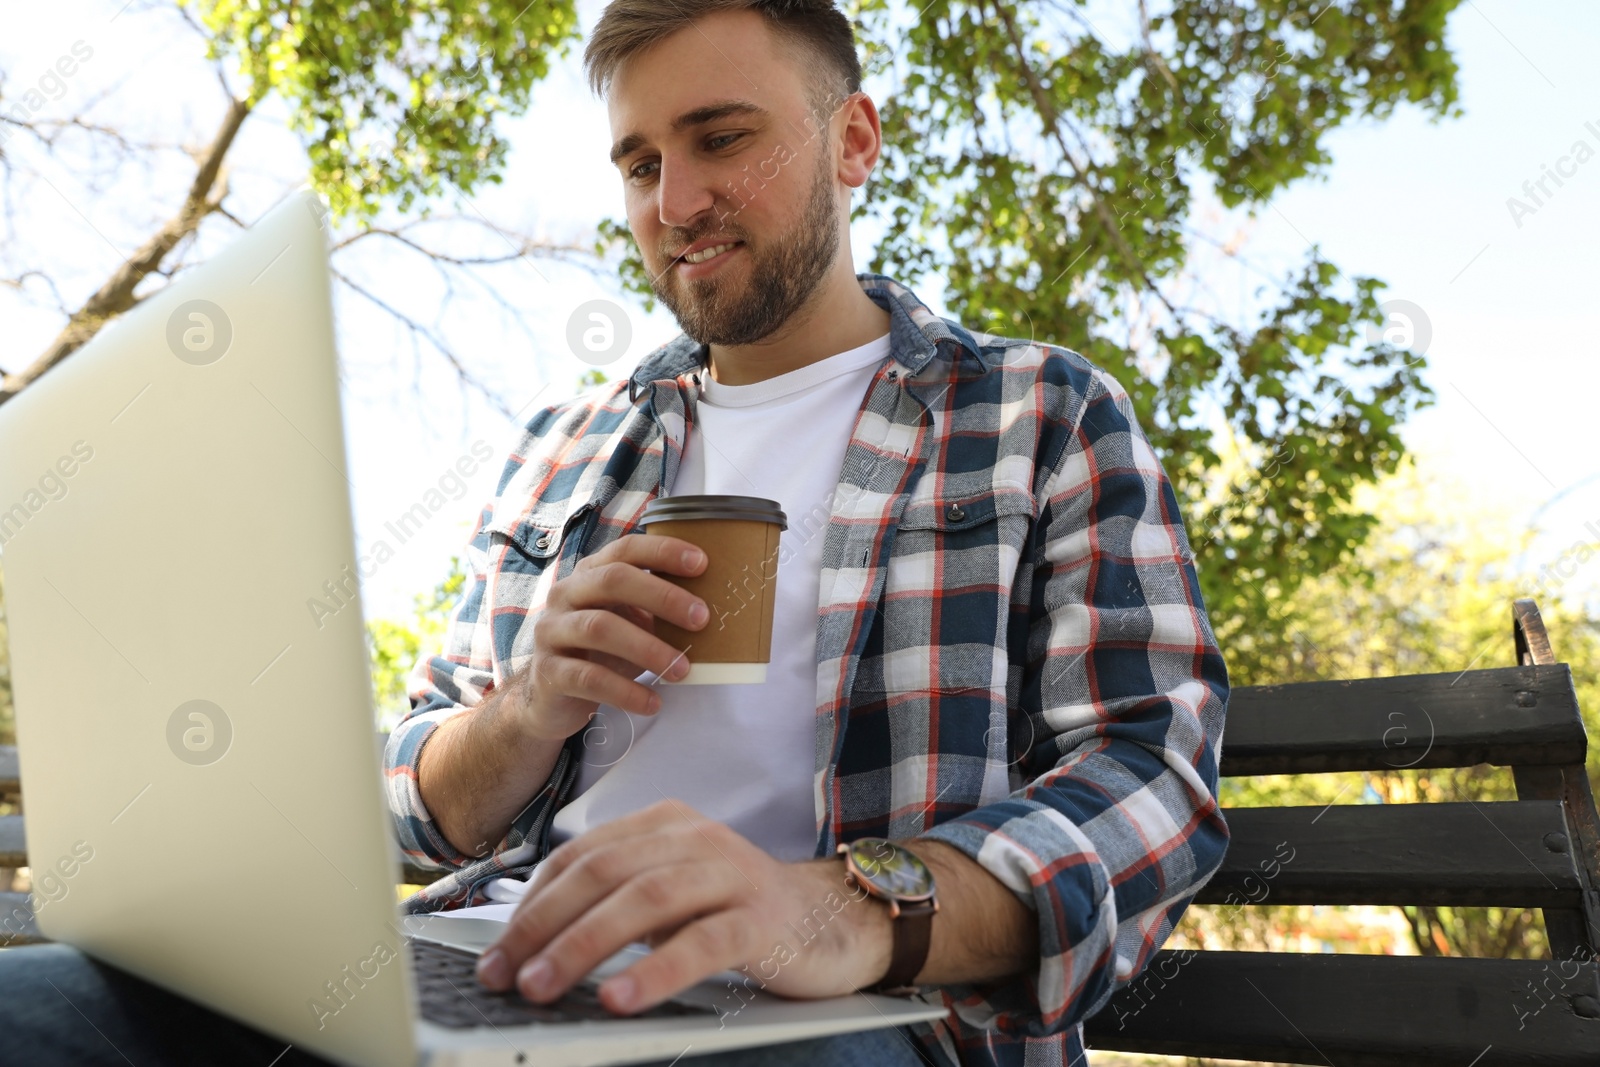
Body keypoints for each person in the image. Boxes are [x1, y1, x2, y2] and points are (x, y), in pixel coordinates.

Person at [0, 3, 1228, 1065]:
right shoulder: (566, 446)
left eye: (722, 138)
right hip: (492, 958)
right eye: (638, 163)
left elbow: (1152, 774)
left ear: (853, 140)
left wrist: (850, 906)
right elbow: (407, 804)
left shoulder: (1037, 412)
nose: (675, 201)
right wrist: (522, 708)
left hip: (833, 1009)